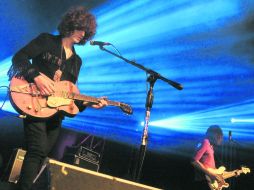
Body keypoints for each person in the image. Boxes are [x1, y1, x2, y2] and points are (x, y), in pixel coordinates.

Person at [7, 6, 107, 190]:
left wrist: (89, 103)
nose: (82, 34)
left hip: (56, 112)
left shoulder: (77, 61)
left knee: (43, 152)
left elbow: (69, 94)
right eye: (80, 28)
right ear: (71, 25)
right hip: (34, 101)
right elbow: (19, 57)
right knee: (36, 150)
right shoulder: (47, 40)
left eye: (86, 32)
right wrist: (36, 76)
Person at [191, 125, 224, 190]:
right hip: (203, 181)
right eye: (221, 137)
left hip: (207, 181)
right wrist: (210, 174)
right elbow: (194, 161)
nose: (221, 140)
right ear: (216, 135)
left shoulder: (210, 146)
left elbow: (209, 166)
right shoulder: (205, 142)